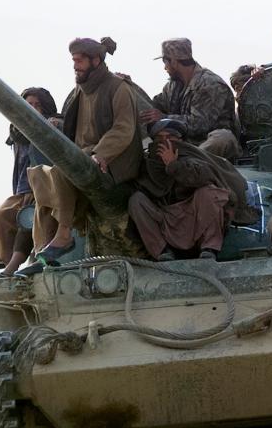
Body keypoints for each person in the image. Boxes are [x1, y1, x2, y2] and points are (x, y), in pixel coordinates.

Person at [26, 36, 143, 262]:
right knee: (39, 176)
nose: (75, 66)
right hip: (85, 155)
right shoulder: (81, 90)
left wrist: (101, 154)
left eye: (79, 61)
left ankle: (64, 234)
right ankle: (41, 252)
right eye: (73, 60)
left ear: (96, 61)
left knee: (63, 171)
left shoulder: (118, 88)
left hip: (114, 164)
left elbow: (123, 129)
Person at [128, 118, 258, 261]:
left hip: (194, 216)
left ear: (181, 140)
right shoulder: (148, 164)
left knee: (209, 192)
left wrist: (174, 165)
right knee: (136, 200)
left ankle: (209, 247)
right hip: (167, 218)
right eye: (159, 138)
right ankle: (163, 251)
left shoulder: (193, 156)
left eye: (170, 137)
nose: (164, 142)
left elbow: (205, 177)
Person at [0, 87, 58, 274]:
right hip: (21, 190)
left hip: (45, 188)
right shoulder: (16, 133)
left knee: (30, 217)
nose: (32, 108)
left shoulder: (51, 125)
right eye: (28, 104)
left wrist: (54, 123)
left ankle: (13, 267)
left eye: (37, 105)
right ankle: (6, 264)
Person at [140, 38, 241, 162]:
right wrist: (131, 87)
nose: (164, 68)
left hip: (210, 145)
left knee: (223, 137)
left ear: (173, 62)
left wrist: (164, 117)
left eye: (165, 62)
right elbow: (151, 106)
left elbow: (199, 125)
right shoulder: (173, 86)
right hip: (184, 143)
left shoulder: (209, 84)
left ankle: (188, 163)